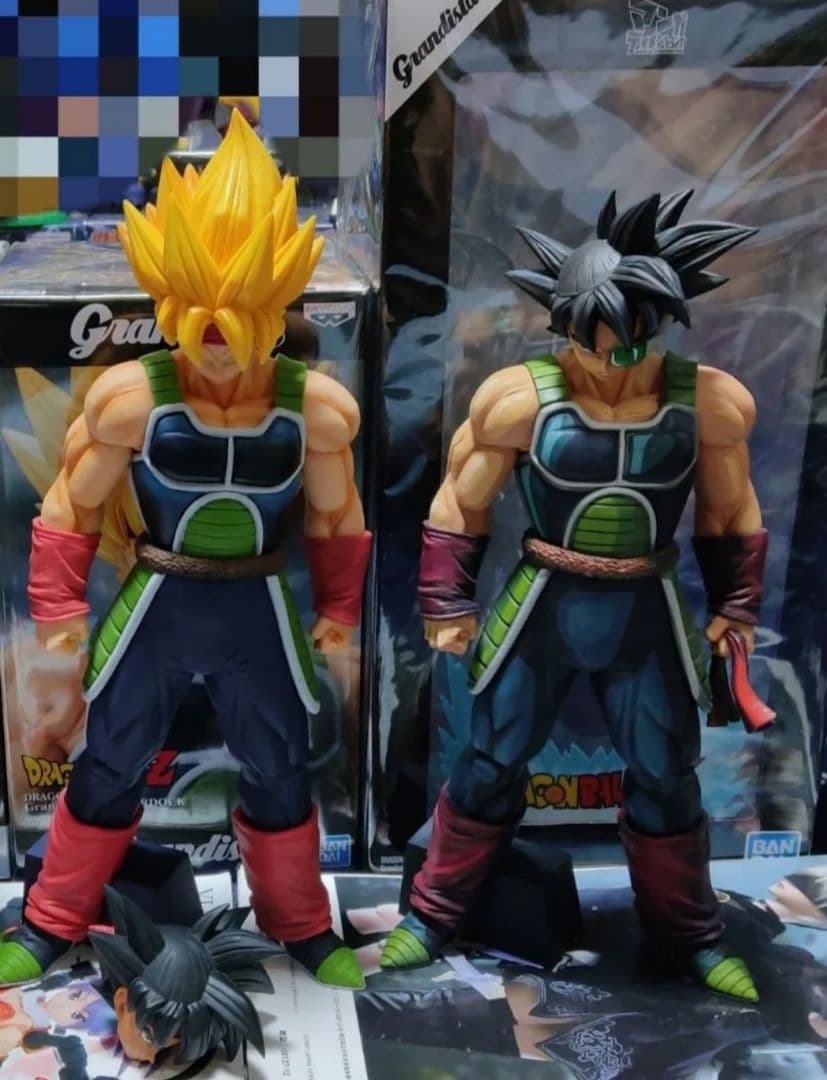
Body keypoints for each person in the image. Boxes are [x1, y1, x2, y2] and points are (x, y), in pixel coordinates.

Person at [0, 109, 371, 991]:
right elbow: (71, 502)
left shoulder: (316, 409)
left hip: (255, 611)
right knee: (109, 762)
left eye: (240, 309)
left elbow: (337, 516)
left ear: (276, 303)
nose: (216, 335)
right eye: (198, 309)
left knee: (280, 767)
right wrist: (56, 606)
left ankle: (299, 921)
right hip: (157, 606)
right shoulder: (132, 398)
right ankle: (52, 917)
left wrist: (338, 608)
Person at [381, 191, 765, 1000]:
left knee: (666, 774)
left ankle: (687, 934)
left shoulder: (708, 403)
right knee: (489, 760)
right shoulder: (518, 400)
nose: (608, 361)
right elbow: (457, 502)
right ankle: (433, 913)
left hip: (644, 612)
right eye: (588, 341)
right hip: (543, 607)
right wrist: (446, 603)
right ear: (562, 328)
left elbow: (730, 512)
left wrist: (736, 606)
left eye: (629, 343)